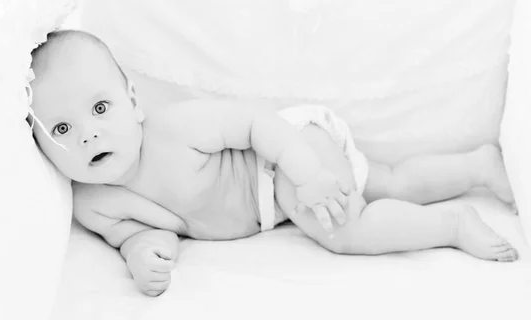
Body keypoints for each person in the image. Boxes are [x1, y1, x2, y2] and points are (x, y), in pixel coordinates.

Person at [29, 30, 518, 297]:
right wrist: (144, 256)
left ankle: (453, 224)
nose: (88, 133)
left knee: (346, 229)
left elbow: (255, 125)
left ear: (132, 100)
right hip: (280, 201)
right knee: (387, 182)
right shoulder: (92, 202)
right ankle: (476, 167)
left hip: (284, 158)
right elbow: (145, 231)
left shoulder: (175, 130)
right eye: (63, 130)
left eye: (99, 109)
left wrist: (306, 173)